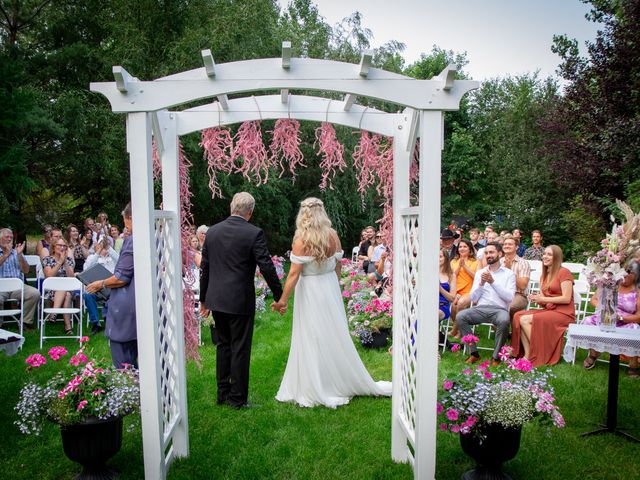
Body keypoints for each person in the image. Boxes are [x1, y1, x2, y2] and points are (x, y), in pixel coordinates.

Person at [271, 197, 391, 408]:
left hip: (310, 289)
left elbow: (293, 274)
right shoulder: (333, 235)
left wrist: (282, 300)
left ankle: (318, 384)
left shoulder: (301, 240)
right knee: (333, 332)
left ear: (304, 214)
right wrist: (334, 286)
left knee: (311, 333)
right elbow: (337, 266)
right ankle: (335, 377)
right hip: (329, 287)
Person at [199, 192, 283, 409]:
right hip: (239, 300)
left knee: (223, 345)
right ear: (250, 212)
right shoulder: (253, 233)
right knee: (240, 348)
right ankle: (237, 399)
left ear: (231, 207)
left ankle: (222, 393)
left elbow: (204, 269)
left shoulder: (213, 232)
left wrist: (204, 300)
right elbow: (266, 265)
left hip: (216, 299)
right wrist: (279, 294)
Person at [86, 203, 137, 368]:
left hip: (127, 303)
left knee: (123, 358)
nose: (124, 225)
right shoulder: (155, 237)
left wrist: (100, 283)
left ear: (130, 218)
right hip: (142, 304)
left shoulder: (132, 241)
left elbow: (122, 277)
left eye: (125, 220)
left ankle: (129, 390)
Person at [511, 245, 575, 367]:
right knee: (518, 316)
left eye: (549, 254)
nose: (545, 256)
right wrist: (537, 299)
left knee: (525, 319)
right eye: (544, 254)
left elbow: (566, 298)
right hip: (550, 310)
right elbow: (544, 299)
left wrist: (542, 298)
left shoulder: (564, 272)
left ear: (557, 257)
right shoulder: (544, 275)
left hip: (564, 313)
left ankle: (541, 350)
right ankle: (528, 355)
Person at [456, 242, 516, 366]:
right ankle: (473, 353)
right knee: (460, 316)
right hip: (481, 308)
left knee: (504, 321)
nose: (488, 255)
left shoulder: (509, 274)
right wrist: (481, 284)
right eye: (487, 253)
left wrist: (493, 282)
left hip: (499, 309)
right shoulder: (480, 273)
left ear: (500, 254)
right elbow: (473, 297)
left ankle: (496, 357)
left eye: (491, 252)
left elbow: (509, 297)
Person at [582, 260, 640, 376]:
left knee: (635, 328)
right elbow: (593, 300)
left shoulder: (637, 291)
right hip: (605, 316)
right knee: (588, 321)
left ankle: (633, 365)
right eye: (624, 271)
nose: (625, 275)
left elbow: (639, 316)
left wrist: (621, 318)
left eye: (630, 272)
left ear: (636, 275)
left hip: (624, 322)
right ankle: (593, 354)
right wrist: (605, 308)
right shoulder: (610, 283)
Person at [0, 228, 41, 330]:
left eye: (11, 237)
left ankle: (25, 322)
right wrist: (5, 254)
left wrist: (19, 256)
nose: (9, 239)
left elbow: (26, 270)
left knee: (34, 293)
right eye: (7, 237)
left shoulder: (16, 252)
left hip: (17, 287)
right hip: (1, 288)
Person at [83, 237, 119, 334]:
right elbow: (86, 269)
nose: (104, 248)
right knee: (87, 295)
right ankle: (96, 323)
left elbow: (119, 260)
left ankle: (108, 321)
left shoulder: (113, 258)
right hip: (96, 289)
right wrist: (98, 251)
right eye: (102, 245)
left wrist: (108, 248)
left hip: (111, 288)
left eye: (106, 245)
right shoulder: (93, 258)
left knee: (112, 296)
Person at [42, 237, 76, 334]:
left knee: (67, 292)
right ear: (53, 247)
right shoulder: (47, 260)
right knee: (66, 293)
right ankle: (68, 327)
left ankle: (53, 313)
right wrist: (59, 262)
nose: (62, 247)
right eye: (59, 245)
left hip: (68, 289)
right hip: (51, 290)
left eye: (64, 246)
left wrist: (64, 262)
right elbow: (49, 276)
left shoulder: (68, 260)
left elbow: (71, 277)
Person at [448, 239, 478, 338]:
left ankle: (455, 331)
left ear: (470, 249)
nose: (462, 248)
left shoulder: (476, 262)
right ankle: (461, 328)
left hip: (470, 290)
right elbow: (451, 277)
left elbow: (477, 277)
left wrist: (465, 266)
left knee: (460, 303)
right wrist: (459, 266)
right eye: (460, 247)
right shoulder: (453, 261)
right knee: (453, 306)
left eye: (465, 246)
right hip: (456, 290)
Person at [501, 235, 530, 319]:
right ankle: (503, 331)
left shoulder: (523, 263)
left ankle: (512, 330)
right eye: (505, 244)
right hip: (501, 293)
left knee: (510, 306)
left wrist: (510, 270)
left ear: (516, 247)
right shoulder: (499, 262)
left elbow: (523, 285)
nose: (506, 246)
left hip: (518, 295)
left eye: (510, 244)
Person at [439, 248, 457, 323]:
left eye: (440, 256)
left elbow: (452, 298)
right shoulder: (428, 273)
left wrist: (440, 289)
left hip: (442, 306)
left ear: (445, 258)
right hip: (427, 305)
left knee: (430, 315)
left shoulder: (451, 275)